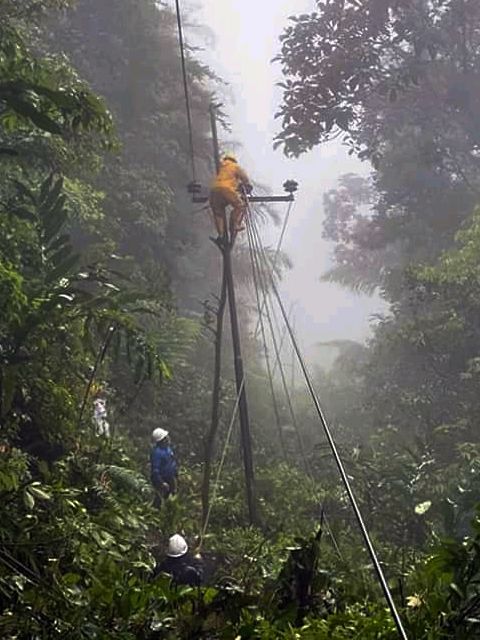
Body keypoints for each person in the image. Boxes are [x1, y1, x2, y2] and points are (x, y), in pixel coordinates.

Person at [209, 154, 253, 244]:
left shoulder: (221, 166)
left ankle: (221, 236)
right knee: (240, 206)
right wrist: (247, 186)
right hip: (226, 189)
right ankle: (234, 225)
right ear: (233, 160)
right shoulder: (235, 166)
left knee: (218, 213)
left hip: (214, 190)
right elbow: (245, 178)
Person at [150, 428, 177, 505]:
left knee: (171, 499)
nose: (168, 438)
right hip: (162, 480)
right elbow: (155, 470)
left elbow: (172, 461)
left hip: (170, 478)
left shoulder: (168, 449)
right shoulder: (157, 453)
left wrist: (175, 474)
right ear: (162, 440)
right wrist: (161, 482)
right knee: (159, 500)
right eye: (166, 437)